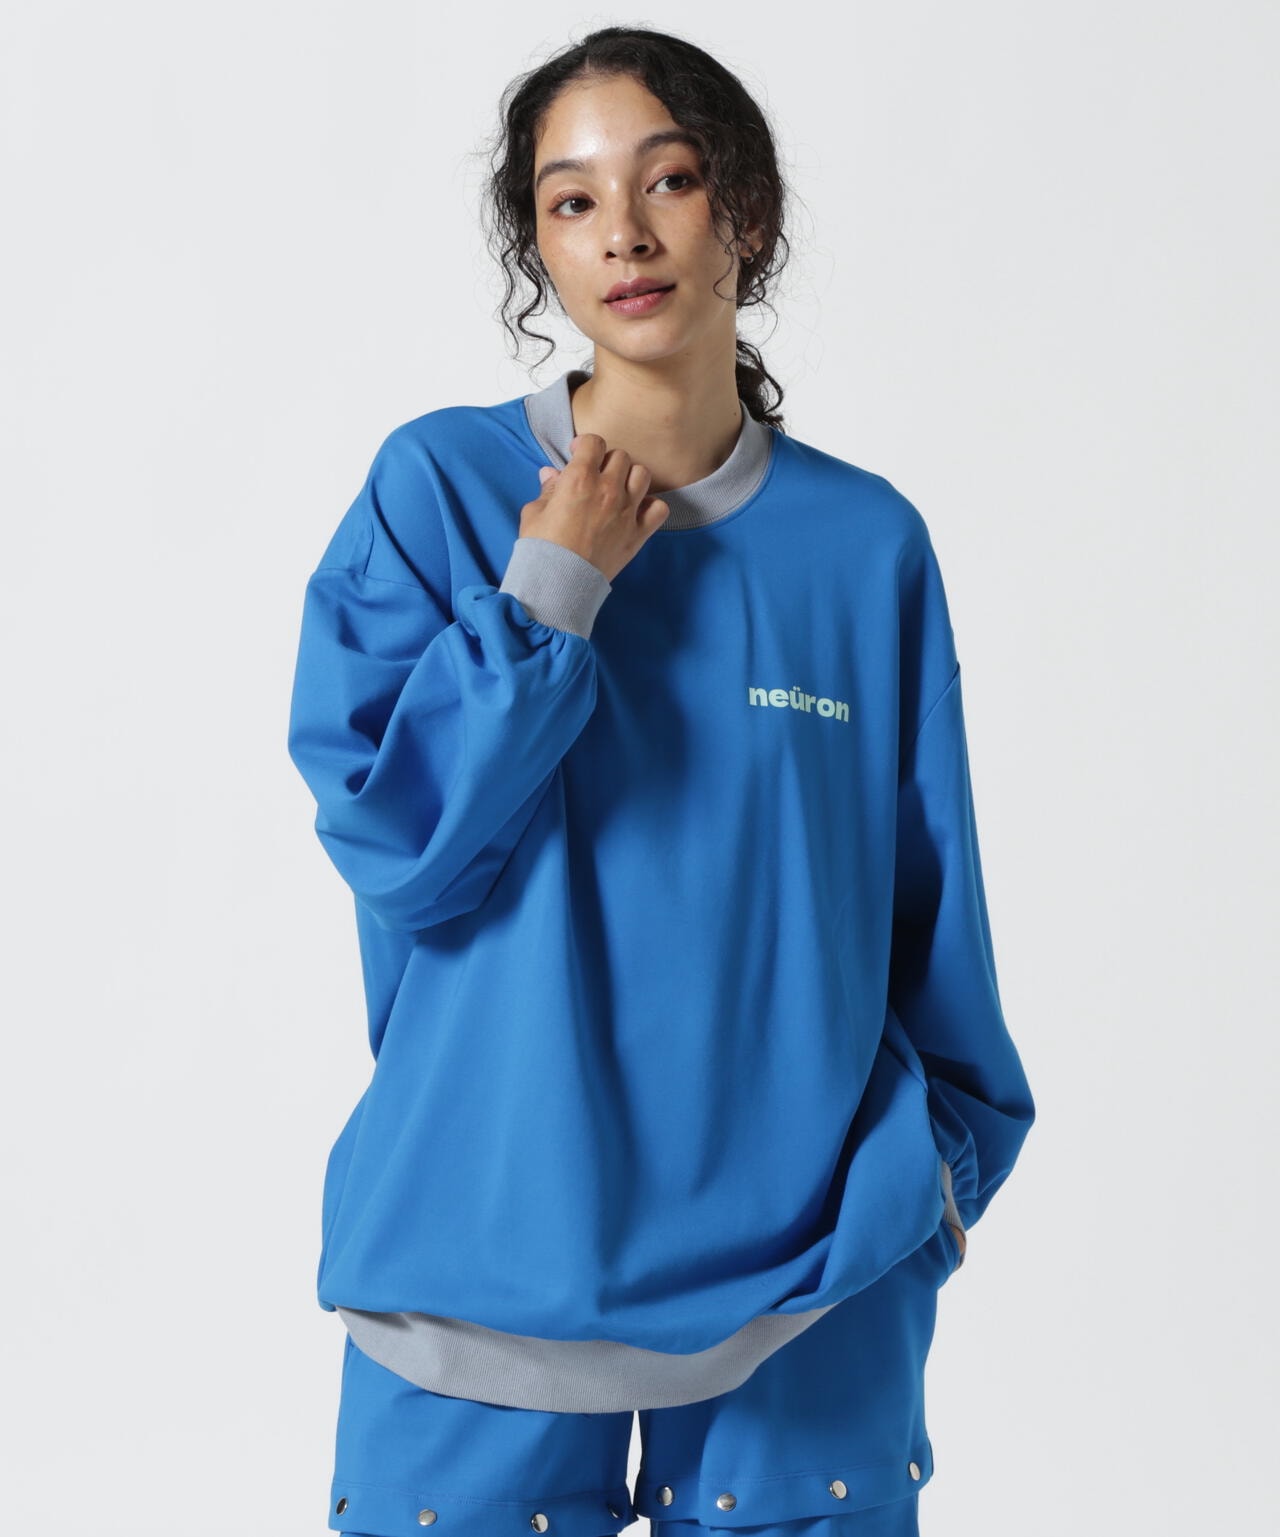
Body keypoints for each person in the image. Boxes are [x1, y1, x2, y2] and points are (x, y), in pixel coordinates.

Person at [285, 25, 1036, 1537]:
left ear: (743, 210)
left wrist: (931, 1181)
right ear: (540, 252)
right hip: (477, 1263)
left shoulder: (863, 546)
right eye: (571, 201)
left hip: (808, 1291)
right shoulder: (437, 493)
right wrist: (551, 590)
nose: (623, 232)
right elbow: (404, 849)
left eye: (669, 181)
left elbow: (930, 916)